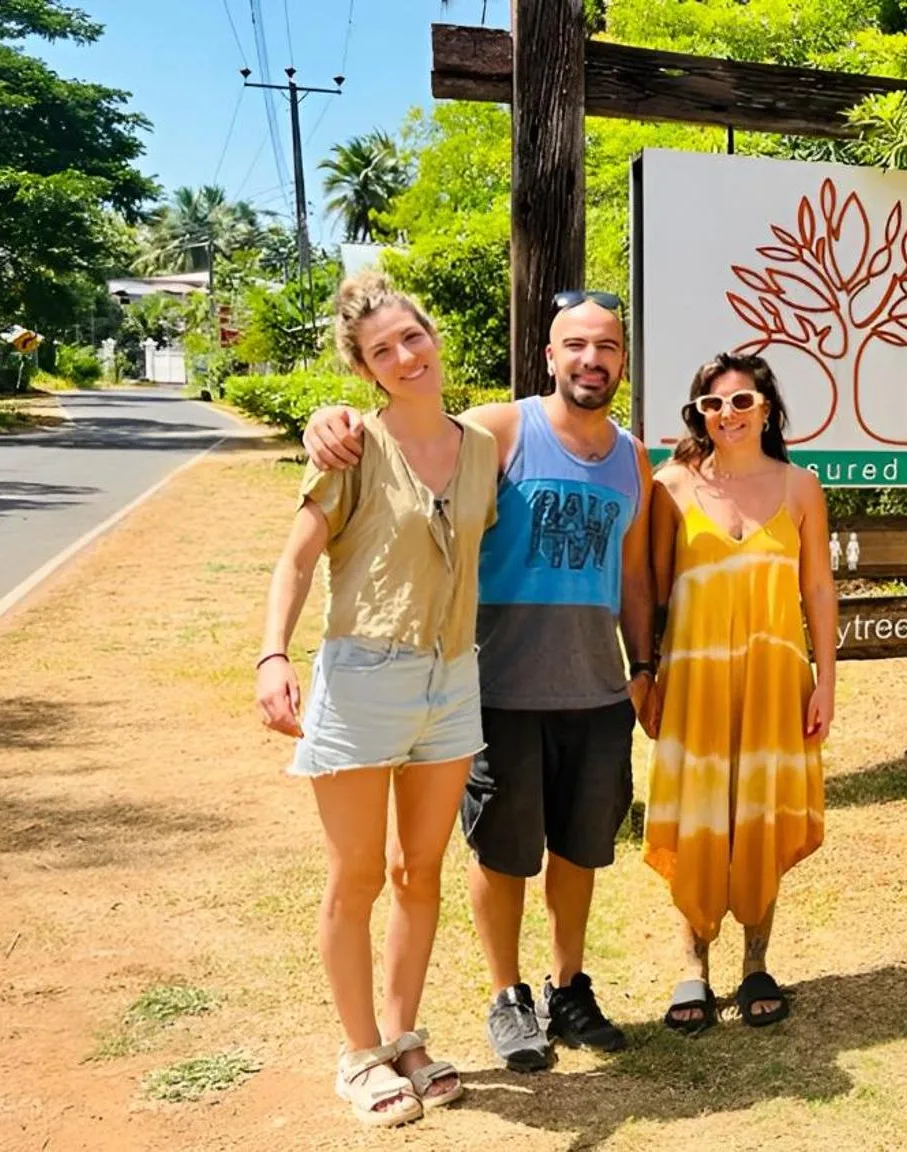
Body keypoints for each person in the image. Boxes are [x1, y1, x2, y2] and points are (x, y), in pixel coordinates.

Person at [301, 289, 655, 1072]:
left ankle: (569, 987)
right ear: (549, 356)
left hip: (597, 689)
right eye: (575, 345)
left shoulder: (633, 457)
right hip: (495, 683)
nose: (591, 360)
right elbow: (413, 439)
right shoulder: (501, 428)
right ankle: (508, 997)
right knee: (502, 853)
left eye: (607, 347)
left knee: (580, 850)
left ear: (623, 363)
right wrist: (330, 417)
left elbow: (631, 574)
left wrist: (644, 665)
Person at [255, 271, 496, 1127]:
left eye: (413, 337)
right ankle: (359, 1055)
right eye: (383, 350)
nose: (405, 356)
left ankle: (404, 1036)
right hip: (363, 677)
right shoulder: (353, 446)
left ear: (435, 337)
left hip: (453, 677)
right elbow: (296, 560)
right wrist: (272, 654)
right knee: (356, 874)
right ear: (364, 370)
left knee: (419, 870)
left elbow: (559, 420)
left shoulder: (481, 445)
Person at [643, 351, 836, 1033]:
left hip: (775, 677)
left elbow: (817, 588)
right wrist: (645, 675)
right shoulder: (669, 486)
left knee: (759, 811)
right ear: (698, 415)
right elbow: (651, 592)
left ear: (767, 409)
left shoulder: (800, 487)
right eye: (712, 405)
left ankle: (757, 961)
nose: (727, 414)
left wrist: (826, 684)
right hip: (694, 679)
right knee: (698, 815)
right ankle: (690, 966)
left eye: (741, 402)